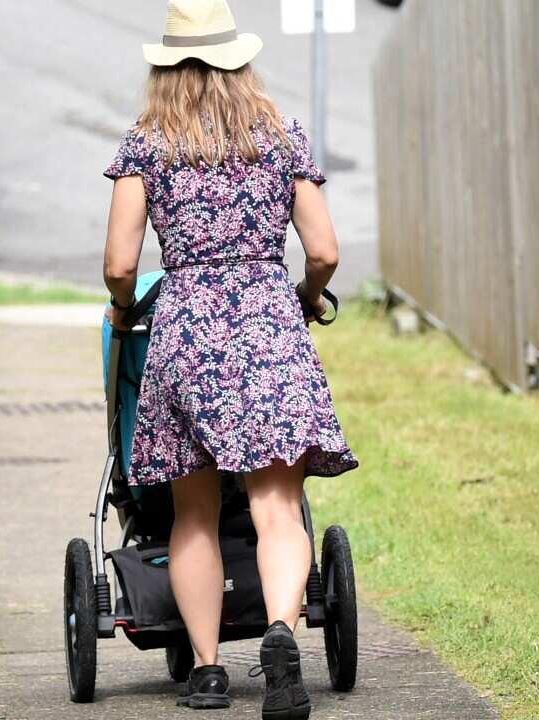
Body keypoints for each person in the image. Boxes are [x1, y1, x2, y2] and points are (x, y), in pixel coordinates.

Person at [102, 0, 358, 716]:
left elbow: (121, 265)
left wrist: (126, 312)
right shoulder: (282, 138)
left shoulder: (146, 145)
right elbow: (325, 251)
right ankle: (280, 633)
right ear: (239, 60)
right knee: (277, 506)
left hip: (185, 332)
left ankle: (209, 671)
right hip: (268, 324)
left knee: (193, 515)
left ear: (167, 66)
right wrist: (307, 294)